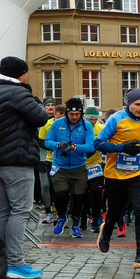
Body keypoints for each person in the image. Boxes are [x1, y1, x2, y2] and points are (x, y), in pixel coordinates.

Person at [0, 56, 50, 279]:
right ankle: (15, 263)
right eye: (25, 72)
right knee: (21, 211)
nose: (28, 75)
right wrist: (35, 101)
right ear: (19, 74)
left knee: (5, 210)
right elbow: (41, 118)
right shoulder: (17, 92)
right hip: (17, 160)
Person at [94, 87, 140, 269]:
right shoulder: (116, 119)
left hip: (137, 173)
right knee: (116, 210)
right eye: (137, 105)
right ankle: (106, 231)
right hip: (115, 174)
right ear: (128, 103)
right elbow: (98, 143)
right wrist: (121, 148)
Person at [44, 98, 96, 238]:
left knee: (78, 198)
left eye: (77, 114)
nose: (74, 117)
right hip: (60, 167)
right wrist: (57, 145)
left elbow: (90, 147)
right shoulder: (57, 124)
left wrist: (74, 147)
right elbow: (47, 141)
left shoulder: (87, 126)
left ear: (81, 113)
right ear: (66, 113)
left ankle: (75, 225)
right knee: (60, 196)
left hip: (78, 167)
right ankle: (62, 218)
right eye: (71, 114)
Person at [80, 106, 106, 232]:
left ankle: (95, 220)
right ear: (84, 117)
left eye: (95, 119)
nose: (93, 121)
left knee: (96, 193)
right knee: (81, 194)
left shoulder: (101, 128)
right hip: (80, 166)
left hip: (96, 166)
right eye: (90, 119)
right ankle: (83, 220)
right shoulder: (79, 127)